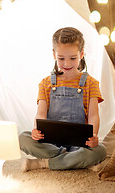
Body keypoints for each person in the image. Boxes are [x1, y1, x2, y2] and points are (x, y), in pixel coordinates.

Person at [19, 27, 107, 171]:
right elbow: (40, 114)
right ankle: (73, 160)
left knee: (100, 151)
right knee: (23, 137)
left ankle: (44, 163)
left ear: (82, 54)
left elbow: (93, 116)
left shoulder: (91, 83)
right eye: (61, 58)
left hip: (79, 143)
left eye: (73, 58)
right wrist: (36, 130)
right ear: (54, 54)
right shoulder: (45, 83)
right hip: (51, 143)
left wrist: (94, 136)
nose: (67, 64)